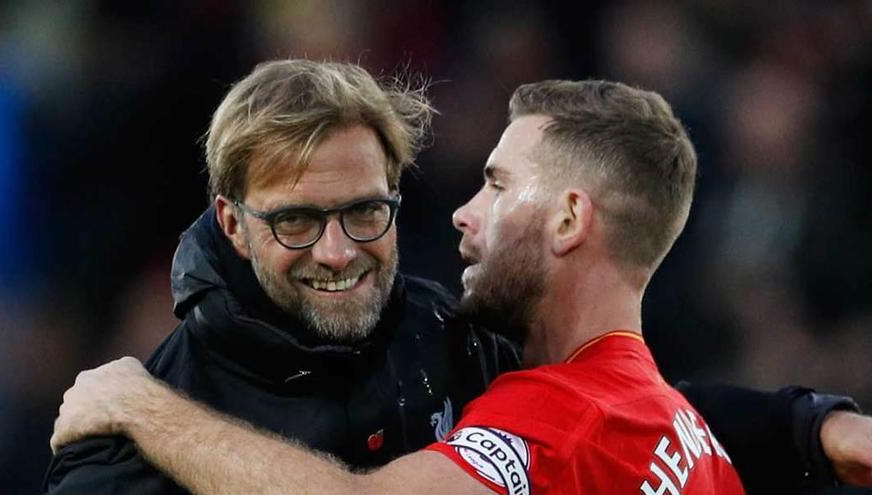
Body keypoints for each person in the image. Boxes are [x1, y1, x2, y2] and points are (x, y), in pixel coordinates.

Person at [49, 73, 872, 494]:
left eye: (367, 211)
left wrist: (806, 425)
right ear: (232, 222)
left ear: (568, 219)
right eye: (296, 220)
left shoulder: (462, 348)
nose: (338, 251)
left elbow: (591, 425)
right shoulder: (116, 458)